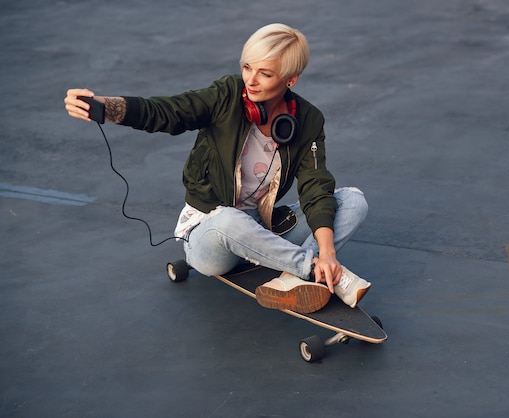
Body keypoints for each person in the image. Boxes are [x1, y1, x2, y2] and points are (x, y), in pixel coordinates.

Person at [64, 23, 371, 314]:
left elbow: (315, 187)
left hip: (262, 227)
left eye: (264, 74)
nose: (250, 80)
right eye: (247, 67)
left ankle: (291, 281)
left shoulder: (308, 120)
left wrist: (328, 251)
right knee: (227, 218)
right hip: (209, 235)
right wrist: (104, 107)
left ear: (291, 80)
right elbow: (169, 112)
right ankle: (310, 269)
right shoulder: (227, 95)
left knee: (353, 200)